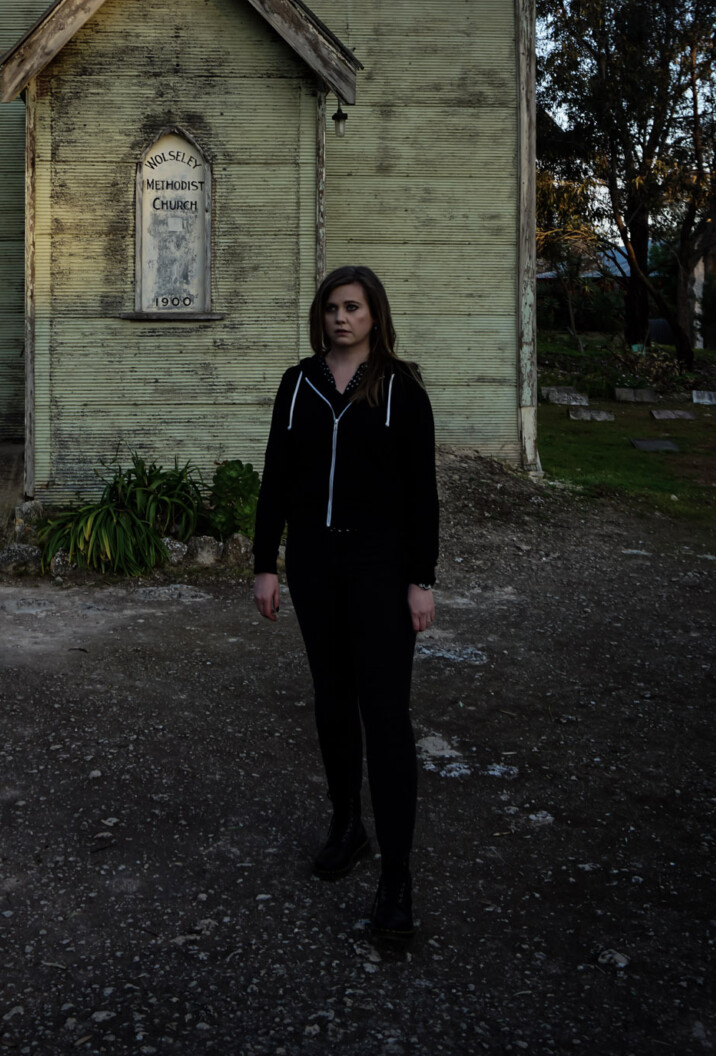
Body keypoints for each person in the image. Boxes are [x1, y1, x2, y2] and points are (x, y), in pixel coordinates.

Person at [252, 265, 438, 938]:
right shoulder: (297, 384)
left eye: (353, 307)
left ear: (373, 315)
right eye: (332, 307)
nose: (341, 318)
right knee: (331, 699)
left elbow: (423, 493)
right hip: (313, 562)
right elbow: (276, 476)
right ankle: (346, 823)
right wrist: (264, 564)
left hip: (380, 568)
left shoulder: (400, 388)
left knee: (384, 715)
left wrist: (422, 577)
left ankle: (397, 878)